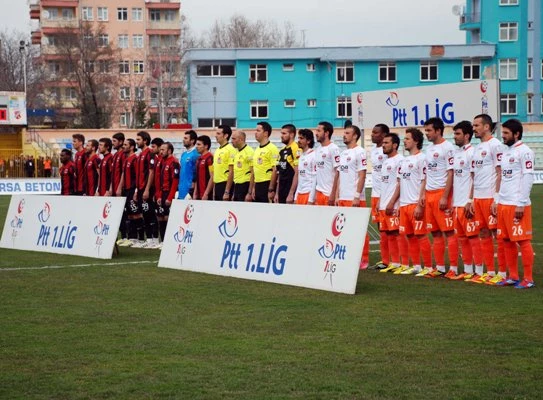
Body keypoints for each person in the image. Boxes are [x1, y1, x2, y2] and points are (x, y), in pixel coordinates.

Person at [465, 114, 506, 284]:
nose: (473, 128)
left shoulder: (496, 145)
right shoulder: (476, 149)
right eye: (473, 125)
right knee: (483, 233)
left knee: (498, 235)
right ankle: (489, 272)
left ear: (487, 127)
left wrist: (496, 199)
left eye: (476, 125)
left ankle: (502, 274)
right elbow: (474, 177)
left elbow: (500, 172)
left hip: (490, 197)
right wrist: (471, 199)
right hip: (478, 198)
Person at [496, 119, 535, 289]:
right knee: (506, 240)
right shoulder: (506, 152)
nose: (503, 136)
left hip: (517, 203)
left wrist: (521, 202)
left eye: (506, 133)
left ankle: (528, 278)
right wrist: (498, 200)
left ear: (516, 134)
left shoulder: (525, 152)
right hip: (504, 203)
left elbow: (528, 177)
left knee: (523, 240)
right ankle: (512, 276)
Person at [416, 117, 456, 278]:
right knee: (436, 233)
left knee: (449, 232)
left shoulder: (448, 148)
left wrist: (445, 196)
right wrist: (422, 194)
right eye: (426, 131)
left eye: (429, 131)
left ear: (438, 131)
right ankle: (439, 267)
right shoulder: (430, 149)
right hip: (429, 194)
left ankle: (453, 268)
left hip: (441, 193)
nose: (427, 134)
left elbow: (450, 172)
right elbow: (427, 174)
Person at [393, 128, 432, 275]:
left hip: (415, 203)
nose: (404, 141)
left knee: (421, 235)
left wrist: (419, 204)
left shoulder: (422, 159)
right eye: (404, 139)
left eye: (407, 139)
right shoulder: (403, 161)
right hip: (404, 204)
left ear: (416, 141)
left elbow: (424, 180)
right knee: (409, 235)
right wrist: (398, 204)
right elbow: (400, 184)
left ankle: (428, 267)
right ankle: (416, 265)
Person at [449, 121, 483, 280]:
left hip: (467, 203)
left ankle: (480, 271)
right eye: (454, 134)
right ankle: (468, 271)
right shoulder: (457, 153)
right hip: (457, 203)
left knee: (473, 237)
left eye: (458, 134)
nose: (455, 137)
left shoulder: (472, 153)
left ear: (467, 136)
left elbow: (475, 178)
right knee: (462, 238)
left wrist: (470, 199)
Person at [334, 124, 370, 268]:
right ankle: (350, 256)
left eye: (347, 133)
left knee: (360, 229)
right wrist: (337, 195)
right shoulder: (343, 154)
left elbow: (362, 175)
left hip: (354, 198)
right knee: (344, 230)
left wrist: (357, 196)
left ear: (355, 136)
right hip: (343, 197)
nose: (344, 135)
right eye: (344, 133)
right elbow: (340, 176)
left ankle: (364, 258)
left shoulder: (360, 152)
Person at [377, 133, 404, 273]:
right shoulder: (385, 162)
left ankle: (397, 262)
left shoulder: (400, 160)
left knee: (394, 234)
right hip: (383, 204)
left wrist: (392, 202)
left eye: (386, 143)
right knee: (384, 233)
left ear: (395, 145)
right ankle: (386, 261)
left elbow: (400, 184)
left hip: (392, 204)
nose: (383, 145)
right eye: (383, 142)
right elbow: (384, 184)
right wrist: (380, 201)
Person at [133, 131, 159, 248]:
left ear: (145, 141)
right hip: (140, 188)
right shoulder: (140, 155)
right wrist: (137, 191)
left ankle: (155, 238)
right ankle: (148, 238)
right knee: (144, 213)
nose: (137, 141)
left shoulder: (150, 154)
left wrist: (147, 189)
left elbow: (151, 171)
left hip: (147, 188)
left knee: (150, 213)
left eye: (138, 139)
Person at [369, 124, 390, 270]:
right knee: (381, 228)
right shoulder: (373, 151)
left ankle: (394, 260)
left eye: (376, 133)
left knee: (390, 229)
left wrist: (384, 196)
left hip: (385, 195)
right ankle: (385, 259)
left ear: (384, 135)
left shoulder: (387, 153)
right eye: (372, 132)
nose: (372, 135)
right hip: (375, 194)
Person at [156, 142, 181, 247]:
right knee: (160, 217)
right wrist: (159, 195)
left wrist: (170, 197)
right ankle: (163, 241)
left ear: (169, 151)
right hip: (162, 192)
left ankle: (169, 241)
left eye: (163, 150)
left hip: (170, 193)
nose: (161, 152)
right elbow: (160, 180)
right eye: (160, 149)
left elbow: (175, 182)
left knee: (167, 217)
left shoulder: (174, 162)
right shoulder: (162, 161)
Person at [117, 138, 139, 247]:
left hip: (132, 189)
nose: (123, 146)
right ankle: (130, 237)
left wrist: (135, 190)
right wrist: (120, 187)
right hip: (126, 189)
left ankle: (136, 237)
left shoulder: (135, 158)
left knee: (135, 213)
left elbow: (137, 175)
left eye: (126, 145)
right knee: (128, 214)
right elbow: (123, 174)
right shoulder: (126, 159)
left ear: (131, 147)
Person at [251, 121, 279, 203]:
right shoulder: (257, 149)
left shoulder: (272, 148)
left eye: (258, 131)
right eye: (255, 130)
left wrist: (271, 189)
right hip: (258, 185)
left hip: (266, 184)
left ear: (266, 133)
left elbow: (275, 169)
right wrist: (254, 188)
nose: (255, 133)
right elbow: (256, 171)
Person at [314, 121, 340, 206]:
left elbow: (338, 172)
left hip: (328, 194)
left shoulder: (333, 149)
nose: (316, 133)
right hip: (319, 192)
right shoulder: (318, 149)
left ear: (326, 133)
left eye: (318, 131)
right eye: (316, 131)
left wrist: (334, 194)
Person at [274, 124, 300, 204]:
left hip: (290, 191)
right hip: (281, 190)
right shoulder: (281, 151)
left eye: (284, 133)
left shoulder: (296, 148)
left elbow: (297, 173)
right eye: (281, 133)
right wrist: (277, 193)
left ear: (292, 135)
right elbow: (279, 174)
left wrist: (291, 193)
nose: (281, 136)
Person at [213, 125, 235, 200]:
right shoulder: (217, 150)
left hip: (225, 184)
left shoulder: (230, 149)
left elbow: (231, 171)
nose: (216, 136)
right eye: (216, 133)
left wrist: (227, 191)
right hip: (217, 185)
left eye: (218, 134)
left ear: (225, 135)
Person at [295, 129, 317, 205]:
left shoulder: (314, 156)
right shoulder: (301, 156)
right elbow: (300, 178)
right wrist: (296, 196)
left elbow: (315, 178)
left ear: (308, 141)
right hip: (300, 194)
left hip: (308, 193)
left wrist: (311, 198)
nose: (299, 140)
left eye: (301, 138)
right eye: (298, 138)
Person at [231, 130, 254, 201]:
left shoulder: (249, 152)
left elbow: (253, 173)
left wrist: (249, 192)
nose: (231, 141)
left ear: (241, 139)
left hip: (245, 185)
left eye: (234, 139)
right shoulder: (236, 152)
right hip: (236, 185)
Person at [178, 130, 199, 200]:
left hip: (190, 189)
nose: (183, 140)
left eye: (186, 138)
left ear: (192, 140)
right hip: (181, 189)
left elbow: (196, 172)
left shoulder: (196, 154)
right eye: (183, 138)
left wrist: (193, 187)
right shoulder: (184, 154)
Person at [193, 135, 214, 200]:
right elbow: (197, 178)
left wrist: (206, 193)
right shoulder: (198, 159)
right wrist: (195, 192)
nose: (196, 147)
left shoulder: (210, 158)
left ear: (206, 146)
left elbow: (212, 176)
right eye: (196, 144)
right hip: (199, 194)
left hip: (207, 195)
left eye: (199, 144)